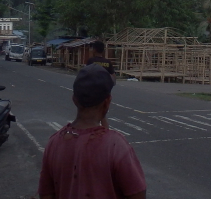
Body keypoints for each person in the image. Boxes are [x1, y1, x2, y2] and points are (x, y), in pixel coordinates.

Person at [38, 64, 146, 199]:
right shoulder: (116, 146)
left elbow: (46, 194)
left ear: (74, 100)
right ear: (108, 101)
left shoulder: (54, 143)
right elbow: (138, 194)